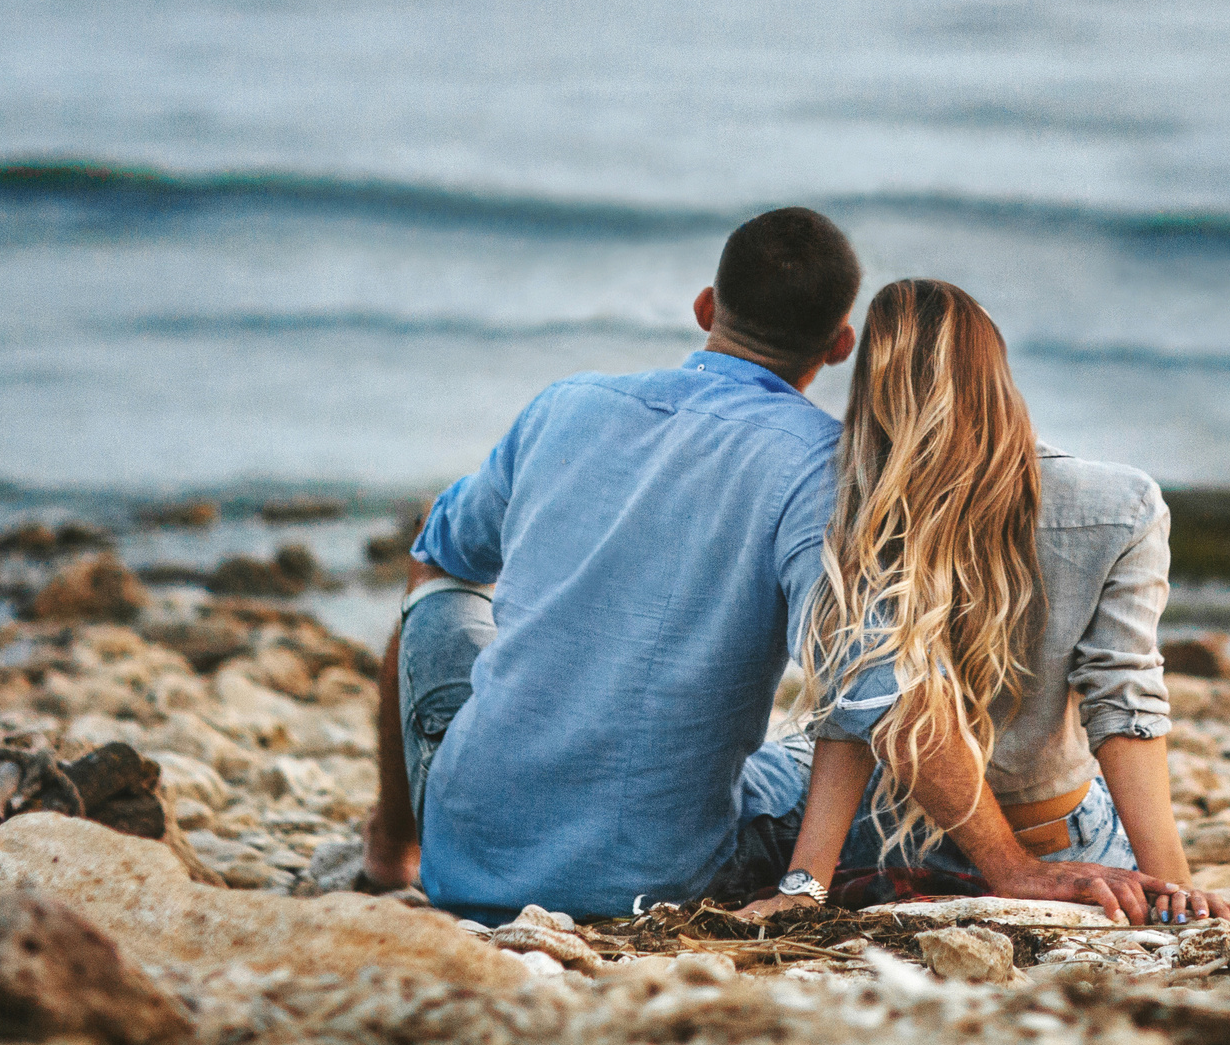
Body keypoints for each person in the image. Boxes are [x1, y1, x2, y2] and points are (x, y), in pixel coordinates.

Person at [362, 211, 1184, 924]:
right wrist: (1010, 866)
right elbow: (879, 688)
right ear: (839, 345)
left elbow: (443, 548)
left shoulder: (563, 404)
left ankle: (393, 843)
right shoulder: (819, 469)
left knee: (437, 593)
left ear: (706, 307)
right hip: (653, 877)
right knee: (791, 753)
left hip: (463, 856)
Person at [740, 278, 1230, 925]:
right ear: (996, 373)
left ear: (871, 387)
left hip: (882, 834)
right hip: (1056, 838)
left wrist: (806, 883)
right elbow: (1124, 701)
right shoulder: (1122, 505)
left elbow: (854, 712)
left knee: (746, 779)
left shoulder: (853, 503)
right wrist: (1175, 887)